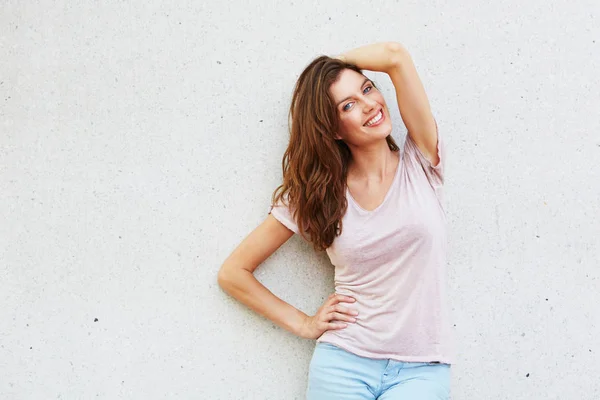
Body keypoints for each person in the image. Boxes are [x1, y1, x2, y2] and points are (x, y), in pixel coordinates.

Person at [218, 42, 452, 399]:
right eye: (348, 105)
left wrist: (334, 64)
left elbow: (396, 57)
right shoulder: (319, 195)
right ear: (333, 129)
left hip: (422, 369)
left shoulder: (420, 161)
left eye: (367, 88)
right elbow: (233, 273)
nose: (369, 105)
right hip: (344, 362)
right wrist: (303, 323)